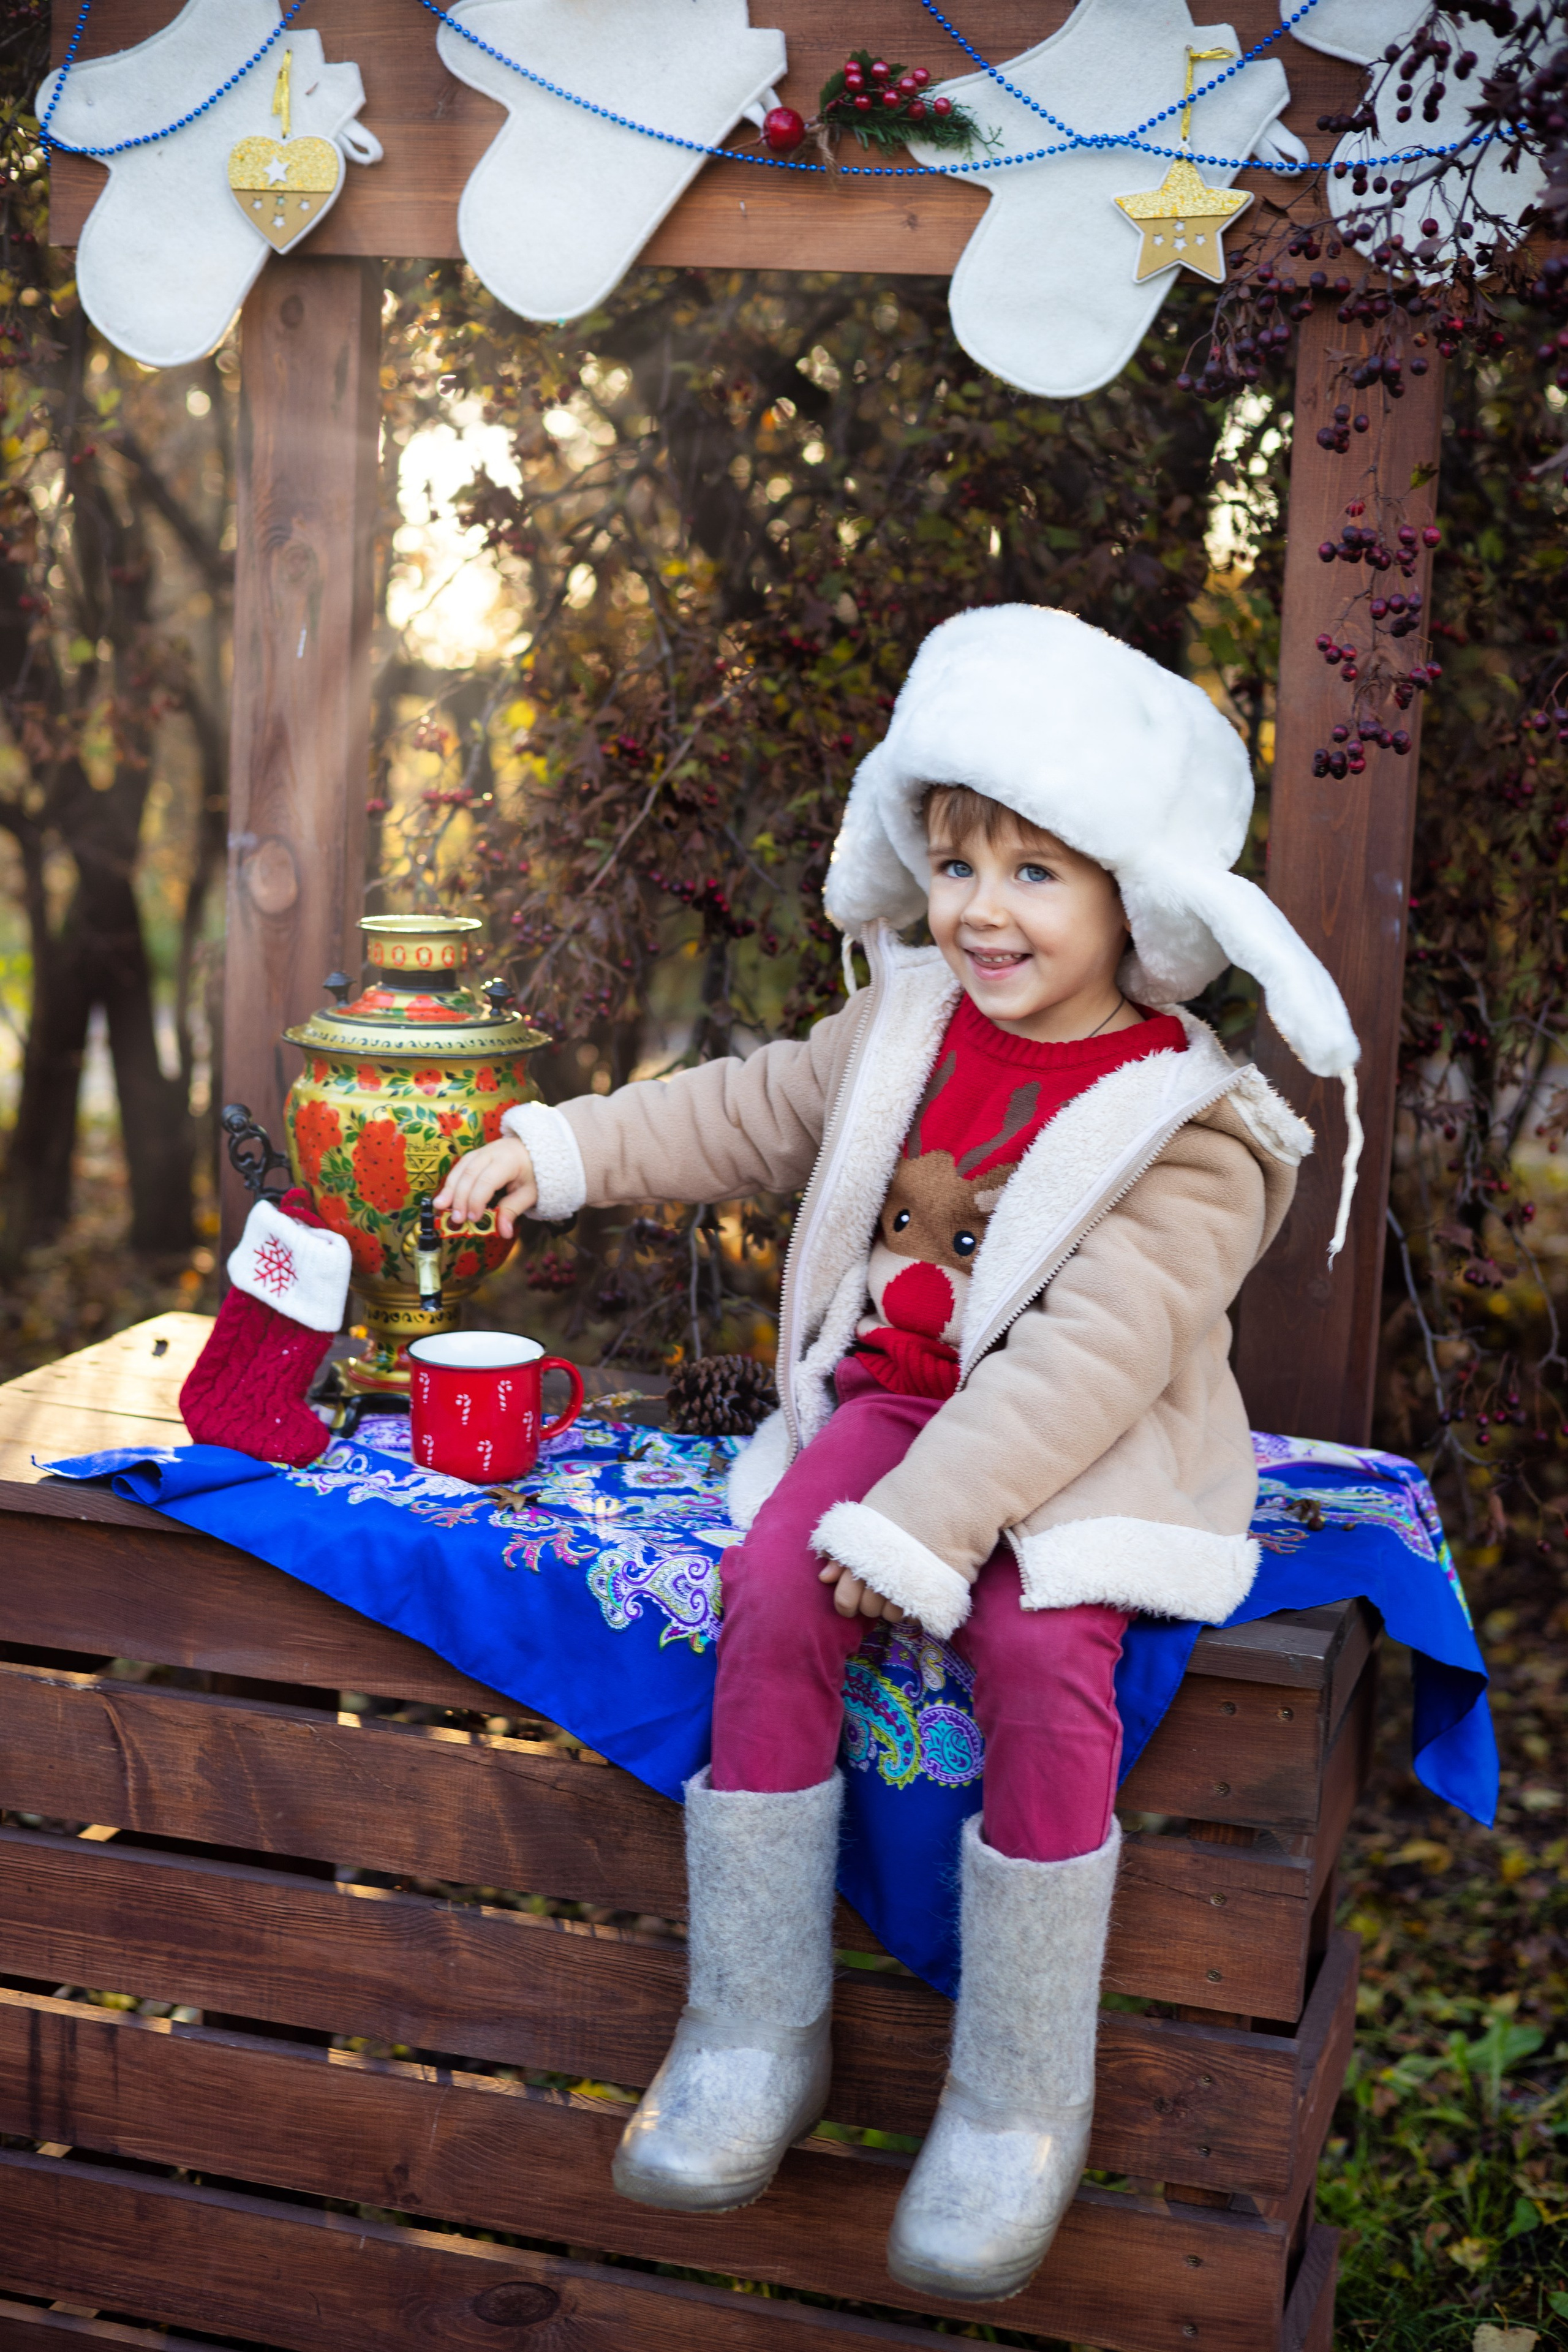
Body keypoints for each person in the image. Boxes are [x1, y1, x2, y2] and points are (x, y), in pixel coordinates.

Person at [435, 604, 1361, 2304]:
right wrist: (554, 1151)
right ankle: (754, 2023)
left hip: (1096, 1450)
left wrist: (928, 1523)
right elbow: (740, 1110)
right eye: (956, 863)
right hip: (898, 1403)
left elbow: (1093, 1358)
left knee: (1034, 1647)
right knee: (776, 1588)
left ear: (1129, 902)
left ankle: (1017, 2098)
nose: (981, 910)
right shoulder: (906, 1027)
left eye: (1036, 874)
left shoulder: (1197, 1127)